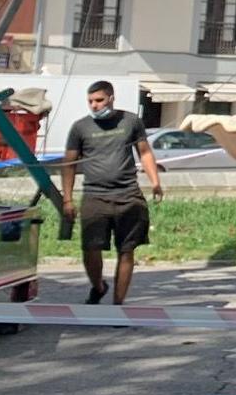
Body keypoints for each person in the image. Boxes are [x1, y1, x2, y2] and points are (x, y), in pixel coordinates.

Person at [58, 81, 162, 304]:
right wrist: (67, 199)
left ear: (111, 98)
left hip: (128, 194)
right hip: (95, 196)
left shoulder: (131, 121)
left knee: (126, 250)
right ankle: (99, 286)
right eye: (90, 101)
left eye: (99, 100)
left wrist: (155, 182)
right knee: (91, 248)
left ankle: (118, 304)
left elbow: (144, 152)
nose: (94, 105)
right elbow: (69, 164)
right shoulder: (80, 128)